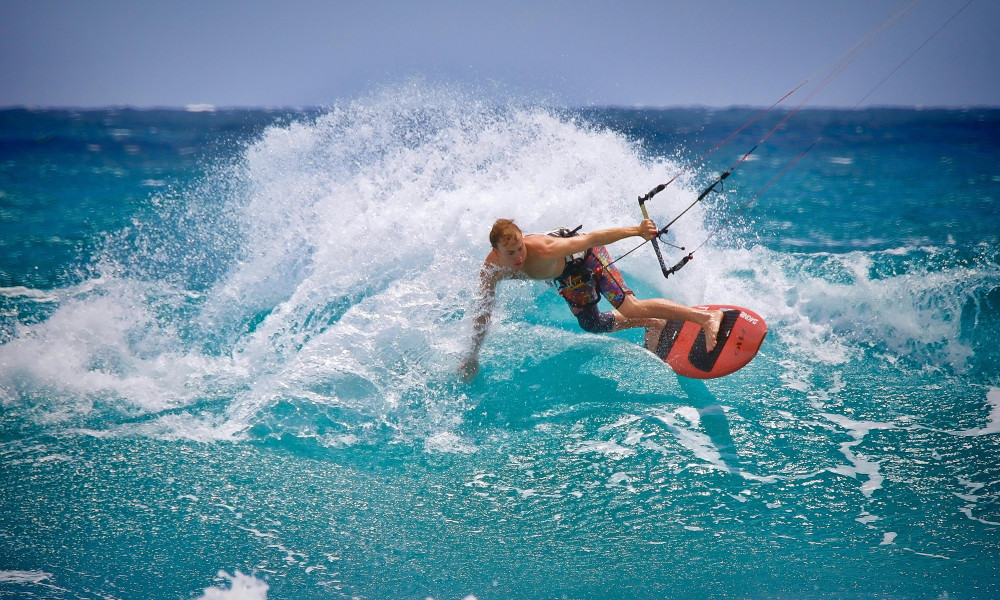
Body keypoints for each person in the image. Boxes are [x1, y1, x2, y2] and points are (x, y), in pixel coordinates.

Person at [458, 217, 724, 380]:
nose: (519, 257)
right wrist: (472, 356)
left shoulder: (546, 249)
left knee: (629, 307)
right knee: (591, 323)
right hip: (568, 276)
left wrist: (637, 230)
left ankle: (706, 318)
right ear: (496, 251)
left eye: (520, 249)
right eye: (511, 253)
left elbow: (593, 237)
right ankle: (655, 322)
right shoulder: (491, 271)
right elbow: (483, 312)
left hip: (588, 256)